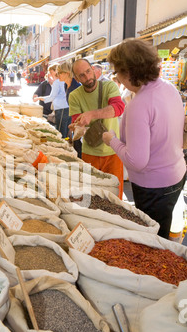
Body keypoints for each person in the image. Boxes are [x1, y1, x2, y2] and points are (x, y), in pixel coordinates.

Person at [102, 38, 186, 239]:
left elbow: (137, 162)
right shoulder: (168, 88)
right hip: (176, 175)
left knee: (153, 240)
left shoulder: (139, 104)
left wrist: (111, 139)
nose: (118, 79)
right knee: (162, 231)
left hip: (154, 186)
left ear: (128, 72)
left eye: (118, 73)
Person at [69, 58, 125, 199]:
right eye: (82, 75)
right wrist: (76, 127)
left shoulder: (109, 86)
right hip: (90, 152)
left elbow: (118, 108)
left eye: (88, 71)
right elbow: (76, 122)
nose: (87, 77)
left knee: (114, 198)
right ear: (76, 78)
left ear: (93, 69)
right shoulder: (74, 96)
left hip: (113, 151)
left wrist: (91, 114)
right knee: (92, 197)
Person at [36, 64, 69, 138]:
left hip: (61, 108)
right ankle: (67, 144)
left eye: (51, 72)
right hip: (67, 107)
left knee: (61, 131)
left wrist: (39, 98)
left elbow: (52, 97)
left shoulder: (57, 82)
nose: (50, 74)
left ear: (56, 71)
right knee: (66, 130)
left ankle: (62, 146)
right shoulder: (64, 81)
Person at [57, 61, 81, 156]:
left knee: (79, 149)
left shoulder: (76, 87)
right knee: (75, 147)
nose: (58, 75)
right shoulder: (65, 85)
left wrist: (74, 126)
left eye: (60, 72)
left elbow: (79, 109)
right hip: (74, 120)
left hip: (80, 122)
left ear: (67, 73)